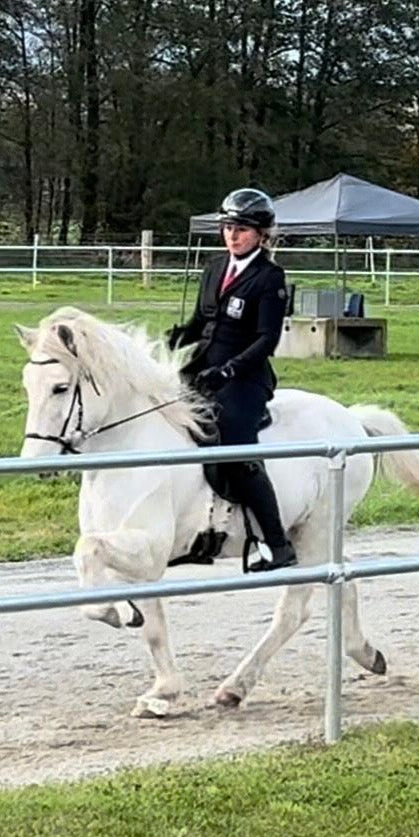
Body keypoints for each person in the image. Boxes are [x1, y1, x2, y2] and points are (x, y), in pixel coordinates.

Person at [168, 187, 296, 571]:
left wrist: (228, 370)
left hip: (245, 378)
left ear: (261, 234)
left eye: (241, 229)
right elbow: (201, 322)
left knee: (236, 446)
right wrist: (176, 338)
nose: (232, 235)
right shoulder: (213, 268)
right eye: (227, 228)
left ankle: (275, 542)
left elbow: (266, 340)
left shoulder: (269, 277)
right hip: (203, 370)